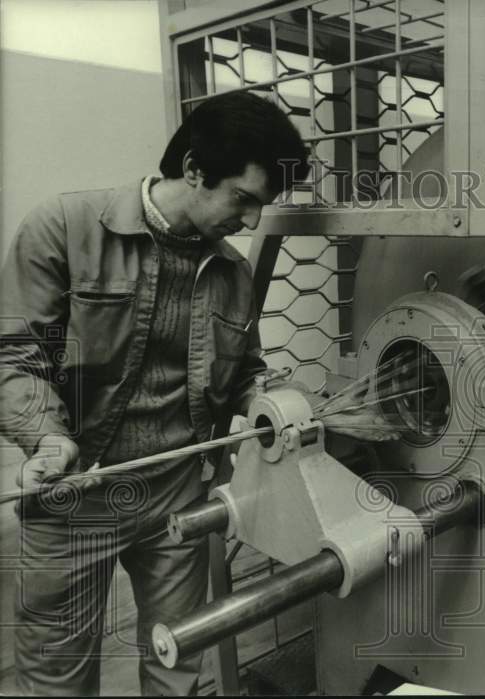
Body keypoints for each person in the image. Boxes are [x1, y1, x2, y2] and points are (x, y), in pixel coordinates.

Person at [0, 92, 314, 696]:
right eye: (243, 200)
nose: (251, 223)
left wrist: (270, 401)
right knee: (55, 677)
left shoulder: (231, 272)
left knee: (180, 666)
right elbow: (15, 356)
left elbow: (244, 370)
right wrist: (48, 438)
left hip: (177, 495)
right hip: (76, 497)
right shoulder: (65, 228)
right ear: (194, 169)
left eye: (262, 206)